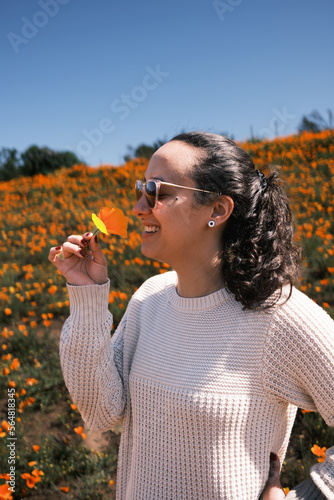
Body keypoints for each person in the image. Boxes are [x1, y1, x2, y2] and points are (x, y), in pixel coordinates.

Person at [49, 132, 334, 500]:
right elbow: (101, 413)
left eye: (156, 191)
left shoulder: (278, 315)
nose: (138, 207)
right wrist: (87, 297)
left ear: (217, 210)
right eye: (141, 189)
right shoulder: (149, 298)